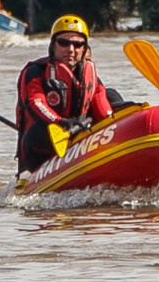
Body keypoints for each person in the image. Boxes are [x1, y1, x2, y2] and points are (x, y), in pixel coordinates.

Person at [15, 14, 113, 174]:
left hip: (80, 135)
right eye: (64, 43)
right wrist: (62, 123)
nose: (71, 49)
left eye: (77, 44)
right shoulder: (34, 72)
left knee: (111, 94)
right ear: (53, 46)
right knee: (36, 132)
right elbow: (36, 102)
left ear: (84, 49)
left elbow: (102, 105)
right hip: (44, 143)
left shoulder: (90, 76)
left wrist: (114, 123)